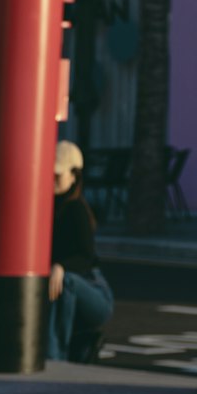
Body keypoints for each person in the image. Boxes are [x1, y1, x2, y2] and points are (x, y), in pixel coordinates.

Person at [48, 139, 114, 363]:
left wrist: (61, 267)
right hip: (64, 287)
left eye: (58, 175)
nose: (52, 180)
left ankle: (55, 356)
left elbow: (86, 257)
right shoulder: (44, 206)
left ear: (74, 176)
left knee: (64, 280)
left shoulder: (76, 209)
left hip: (94, 294)